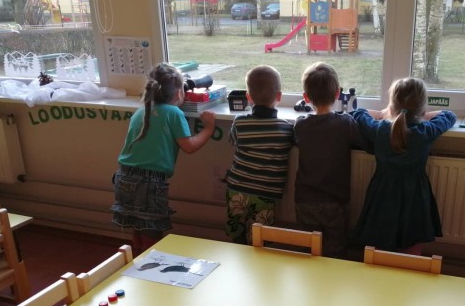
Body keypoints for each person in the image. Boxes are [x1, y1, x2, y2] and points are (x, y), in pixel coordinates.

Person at [111, 63, 216, 254]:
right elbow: (189, 146)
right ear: (179, 93)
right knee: (152, 232)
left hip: (123, 176)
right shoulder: (174, 113)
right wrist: (208, 128)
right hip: (149, 182)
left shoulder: (142, 110)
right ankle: (150, 263)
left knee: (138, 224)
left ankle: (136, 259)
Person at [350, 77, 456, 255]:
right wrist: (425, 116)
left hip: (383, 196)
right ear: (422, 109)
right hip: (415, 198)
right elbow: (449, 115)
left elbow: (358, 113)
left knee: (380, 244)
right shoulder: (425, 131)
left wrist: (383, 113)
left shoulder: (380, 130)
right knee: (412, 244)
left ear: (392, 107)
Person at [293, 62, 367, 258]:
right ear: (337, 94)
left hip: (305, 201)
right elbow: (362, 142)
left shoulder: (300, 125)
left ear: (306, 97)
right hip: (335, 202)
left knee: (308, 248)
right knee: (335, 250)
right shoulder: (345, 123)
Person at [225, 65, 295, 245]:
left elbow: (232, 140)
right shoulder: (286, 129)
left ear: (248, 97)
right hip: (265, 194)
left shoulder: (240, 123)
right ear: (279, 96)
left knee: (236, 235)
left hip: (237, 189)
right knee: (259, 240)